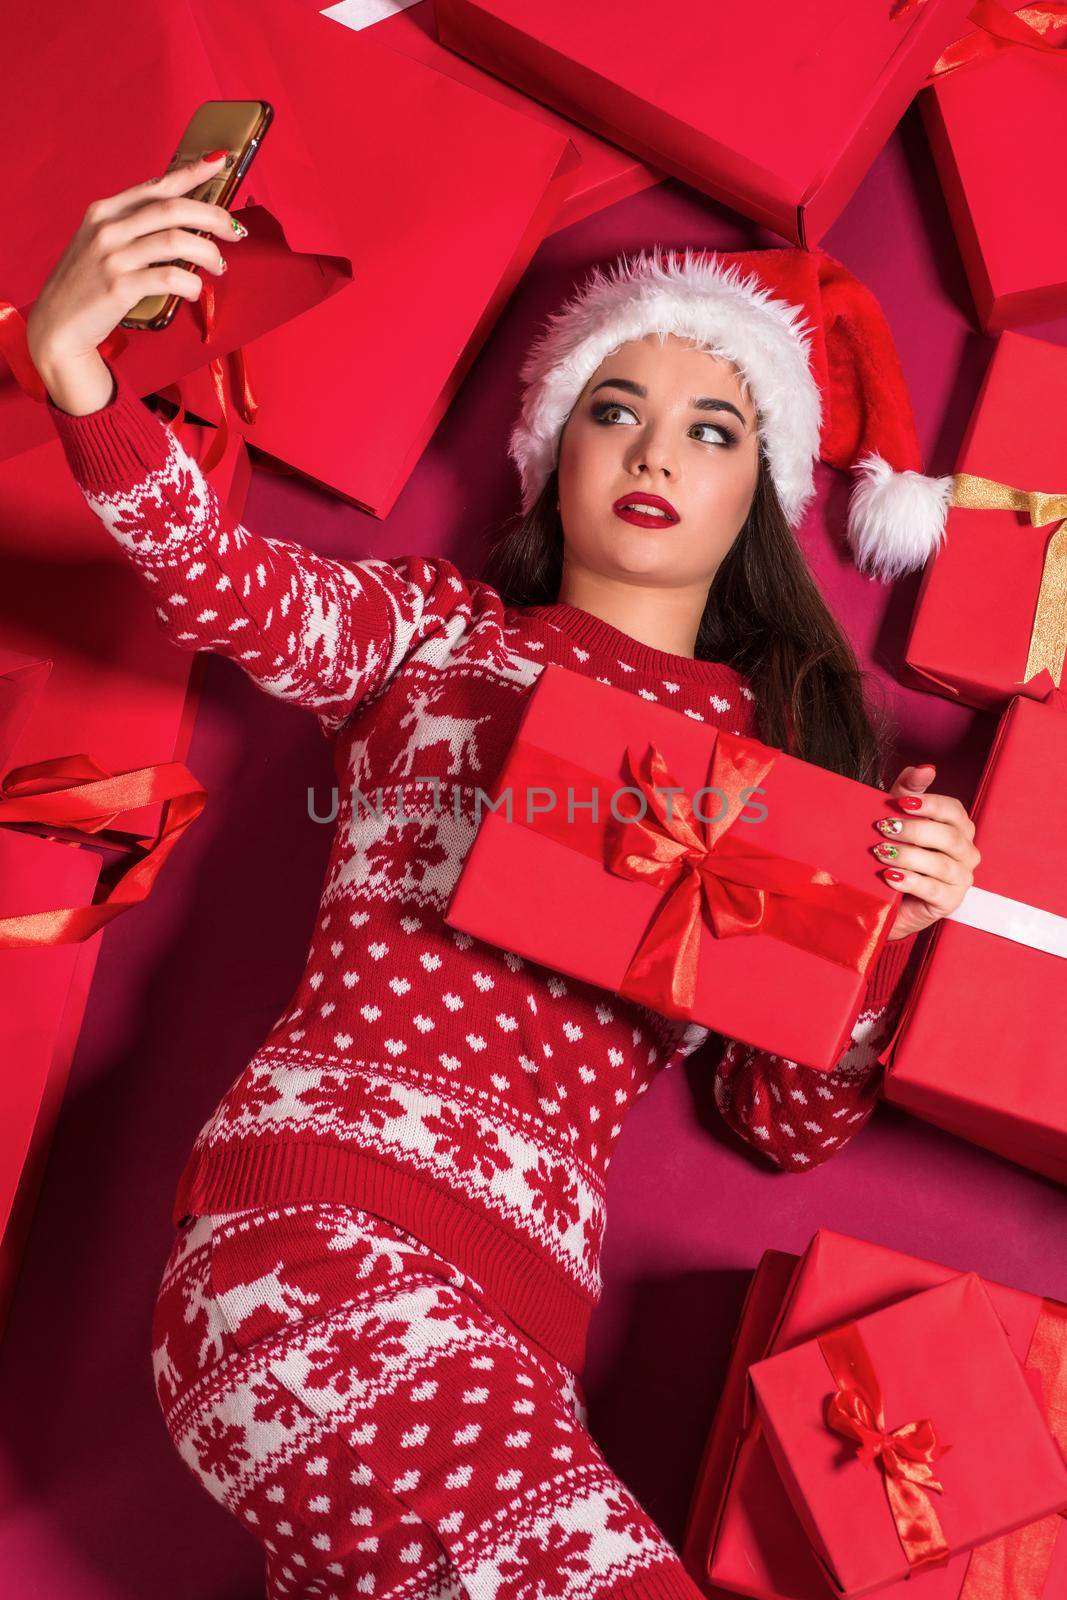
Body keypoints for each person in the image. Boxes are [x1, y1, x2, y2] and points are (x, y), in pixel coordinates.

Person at [27, 152, 979, 1600]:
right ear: (554, 453)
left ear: (763, 496)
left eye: (713, 430)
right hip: (318, 1244)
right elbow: (230, 587)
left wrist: (889, 930)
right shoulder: (435, 632)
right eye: (617, 410)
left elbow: (783, 1120)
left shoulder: (786, 782)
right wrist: (83, 383)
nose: (657, 455)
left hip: (522, 1339)